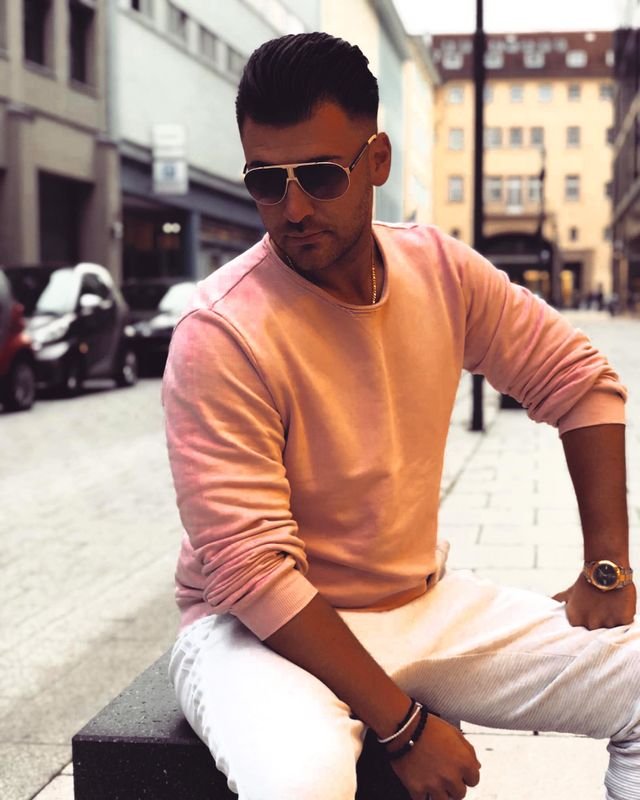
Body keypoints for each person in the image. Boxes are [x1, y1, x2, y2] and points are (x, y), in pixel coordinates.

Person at [162, 32, 638, 800]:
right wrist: (405, 727)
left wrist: (606, 567)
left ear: (376, 160)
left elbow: (581, 382)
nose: (293, 208)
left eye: (320, 175)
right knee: (301, 783)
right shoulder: (220, 331)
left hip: (419, 604)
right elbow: (251, 571)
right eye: (266, 182)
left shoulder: (439, 271)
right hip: (253, 634)